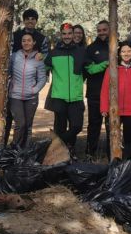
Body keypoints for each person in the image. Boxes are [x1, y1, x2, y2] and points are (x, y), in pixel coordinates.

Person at [100, 42, 131, 158]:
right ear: (119, 54)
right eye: (123, 51)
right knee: (112, 137)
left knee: (130, 140)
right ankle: (112, 163)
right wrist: (104, 107)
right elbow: (105, 89)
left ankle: (128, 163)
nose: (126, 54)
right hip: (114, 110)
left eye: (129, 51)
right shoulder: (112, 68)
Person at [45, 23, 86, 152]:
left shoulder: (81, 51)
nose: (67, 36)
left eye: (69, 34)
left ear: (73, 35)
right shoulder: (54, 53)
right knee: (60, 127)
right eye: (64, 34)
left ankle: (57, 143)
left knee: (76, 127)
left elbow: (90, 68)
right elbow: (43, 68)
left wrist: (107, 63)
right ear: (61, 35)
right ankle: (64, 153)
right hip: (59, 97)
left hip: (76, 97)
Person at [9, 33, 48, 148]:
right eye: (24, 40)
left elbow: (42, 78)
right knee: (20, 124)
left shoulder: (38, 58)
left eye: (29, 40)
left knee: (28, 126)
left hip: (31, 97)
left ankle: (25, 153)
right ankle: (14, 150)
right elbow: (8, 73)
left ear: (33, 42)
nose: (26, 43)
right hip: (15, 96)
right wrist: (10, 86)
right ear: (21, 43)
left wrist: (34, 90)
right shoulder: (14, 56)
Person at [84, 21, 110, 157]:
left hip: (113, 94)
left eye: (104, 29)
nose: (102, 32)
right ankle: (90, 153)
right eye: (99, 30)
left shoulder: (117, 47)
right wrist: (104, 65)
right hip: (95, 93)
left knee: (111, 125)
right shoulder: (91, 49)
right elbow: (89, 70)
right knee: (94, 124)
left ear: (109, 29)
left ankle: (112, 154)